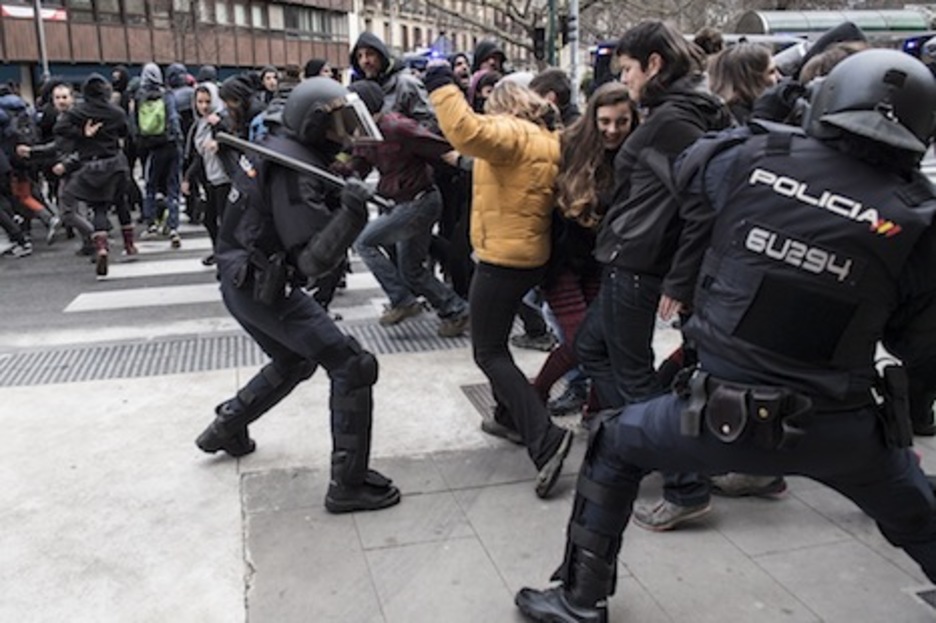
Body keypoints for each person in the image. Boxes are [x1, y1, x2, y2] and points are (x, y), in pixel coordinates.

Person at [515, 47, 936, 622]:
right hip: (841, 427)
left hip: (718, 416)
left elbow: (692, 169)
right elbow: (918, 347)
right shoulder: (918, 218)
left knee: (614, 443)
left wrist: (774, 111)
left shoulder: (752, 156)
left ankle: (580, 599)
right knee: (919, 518)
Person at [195, 77, 401, 514]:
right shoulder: (292, 171)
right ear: (311, 125)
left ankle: (225, 428)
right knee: (352, 364)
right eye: (338, 126)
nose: (345, 136)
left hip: (244, 285)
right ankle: (348, 484)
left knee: (295, 361)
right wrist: (351, 212)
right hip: (263, 288)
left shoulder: (287, 151)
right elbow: (313, 262)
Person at [577, 21, 731, 531]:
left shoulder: (673, 121)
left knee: (635, 376)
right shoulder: (681, 112)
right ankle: (638, 442)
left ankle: (683, 481)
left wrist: (678, 280)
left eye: (627, 68)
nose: (626, 78)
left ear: (654, 64)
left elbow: (700, 206)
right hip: (631, 260)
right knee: (592, 349)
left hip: (637, 266)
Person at [425, 63, 573, 499]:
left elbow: (465, 131)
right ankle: (509, 417)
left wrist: (440, 85)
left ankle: (545, 439)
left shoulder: (512, 133)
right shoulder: (544, 138)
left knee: (488, 351)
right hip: (530, 254)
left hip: (502, 259)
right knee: (498, 345)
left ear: (505, 105)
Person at [533, 82, 638, 417]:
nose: (613, 130)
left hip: (600, 263)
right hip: (561, 261)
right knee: (582, 340)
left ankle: (595, 411)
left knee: (598, 341)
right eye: (605, 121)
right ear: (593, 117)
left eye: (621, 122)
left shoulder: (634, 153)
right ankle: (531, 399)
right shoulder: (569, 145)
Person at [344, 80, 470, 337]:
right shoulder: (364, 133)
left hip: (419, 202)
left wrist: (473, 166)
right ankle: (455, 309)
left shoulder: (397, 126)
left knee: (364, 242)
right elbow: (356, 163)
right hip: (402, 203)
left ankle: (402, 300)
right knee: (411, 270)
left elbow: (440, 148)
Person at [54, 74, 134, 276]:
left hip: (91, 166)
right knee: (121, 202)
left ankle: (101, 247)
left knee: (98, 207)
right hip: (115, 163)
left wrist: (83, 133)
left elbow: (60, 128)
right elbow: (126, 132)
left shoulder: (79, 111)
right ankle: (130, 244)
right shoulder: (115, 112)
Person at [135, 63, 184, 248]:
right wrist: (178, 138)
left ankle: (151, 223)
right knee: (173, 185)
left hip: (151, 146)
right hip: (170, 144)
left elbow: (134, 124)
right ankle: (173, 227)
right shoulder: (166, 94)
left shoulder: (139, 96)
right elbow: (172, 117)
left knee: (150, 185)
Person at [350, 32, 434, 126]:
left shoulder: (406, 84)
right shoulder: (362, 89)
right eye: (359, 56)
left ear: (381, 56)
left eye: (370, 54)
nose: (364, 61)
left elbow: (429, 124)